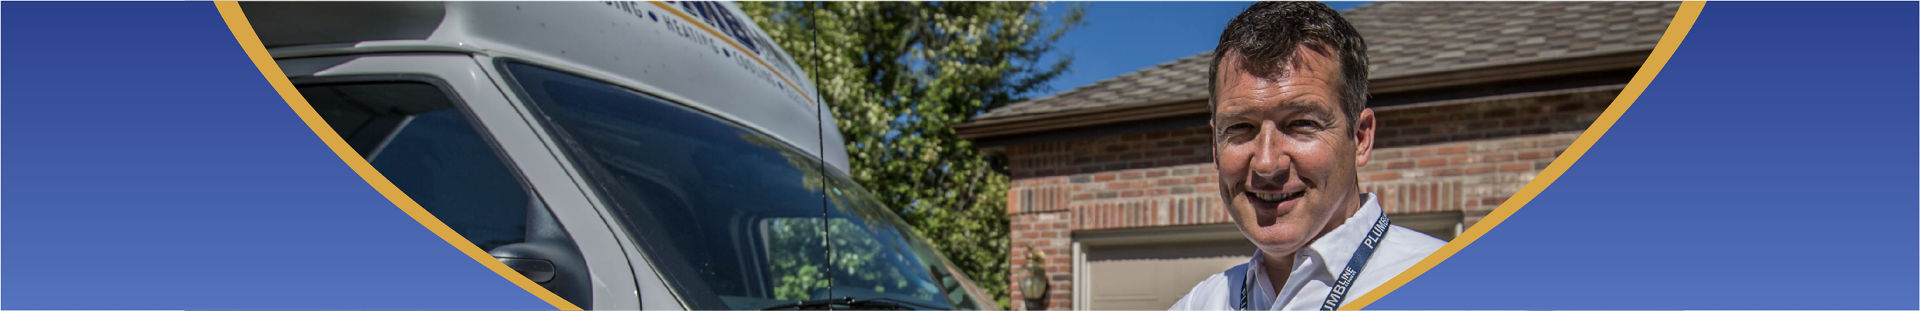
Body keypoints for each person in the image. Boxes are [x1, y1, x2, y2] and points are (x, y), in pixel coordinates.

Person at [1169, 2, 1445, 310]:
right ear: (1215, 148)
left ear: (1361, 137)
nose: (1266, 163)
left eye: (1301, 124)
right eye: (1240, 127)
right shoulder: (1200, 304)